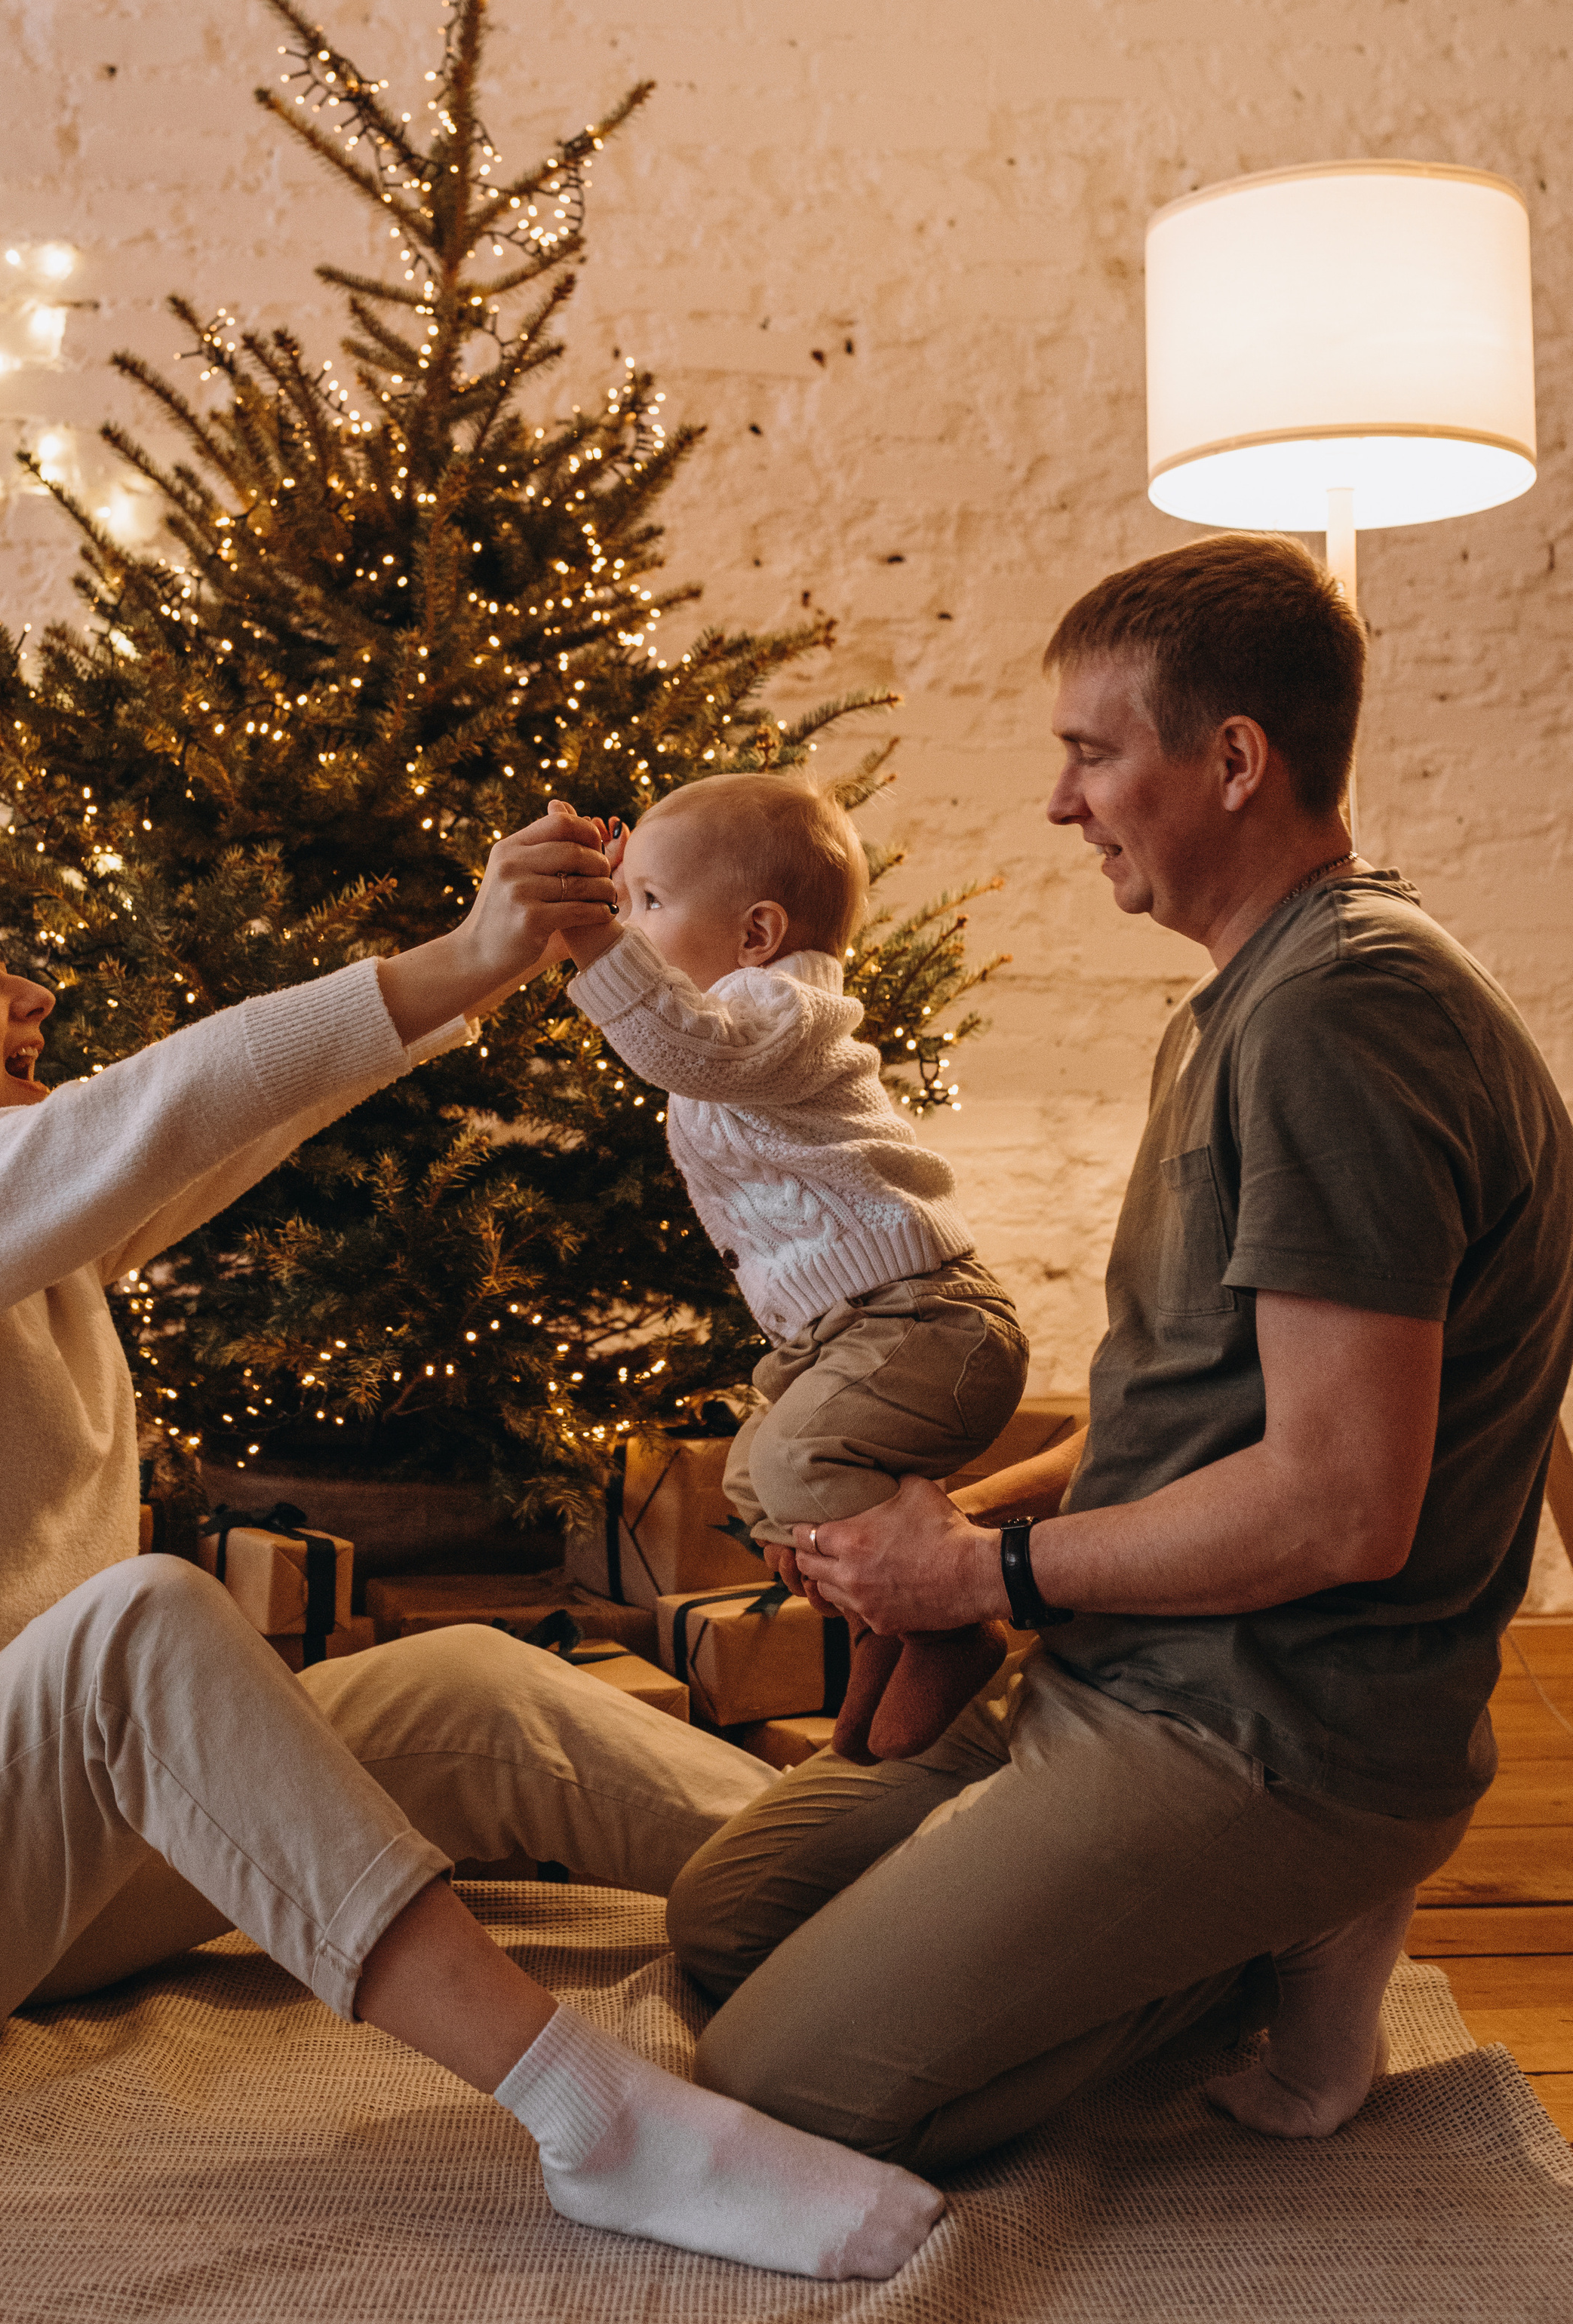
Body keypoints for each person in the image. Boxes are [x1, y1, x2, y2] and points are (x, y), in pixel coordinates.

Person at [0, 809, 944, 2283]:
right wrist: (450, 952)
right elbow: (148, 1108)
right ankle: (595, 2118)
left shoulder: (1, 1238)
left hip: (26, 1886)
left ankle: (926, 1885)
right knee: (138, 1625)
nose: (32, 998)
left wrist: (481, 979)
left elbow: (211, 1127)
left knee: (467, 1685)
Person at [666, 533, 1573, 2169]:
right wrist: (937, 1533)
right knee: (728, 1920)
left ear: (1231, 759)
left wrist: (981, 1581)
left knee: (773, 2092)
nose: (1058, 802)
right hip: (1127, 1663)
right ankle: (1195, 1925)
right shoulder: (1245, 1003)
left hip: (1264, 1727)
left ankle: (1289, 1922)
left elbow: (1337, 1503)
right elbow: (1196, 1403)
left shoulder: (1339, 1018)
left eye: (1091, 750)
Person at [559, 772, 1028, 1763]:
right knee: (758, 1481)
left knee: (785, 1465)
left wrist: (596, 940)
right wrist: (621, 900)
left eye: (650, 904)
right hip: (859, 1332)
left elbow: (685, 1048)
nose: (631, 925)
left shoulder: (781, 1008)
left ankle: (948, 1625)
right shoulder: (740, 1016)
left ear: (758, 934)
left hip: (926, 1322)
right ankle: (883, 1633)